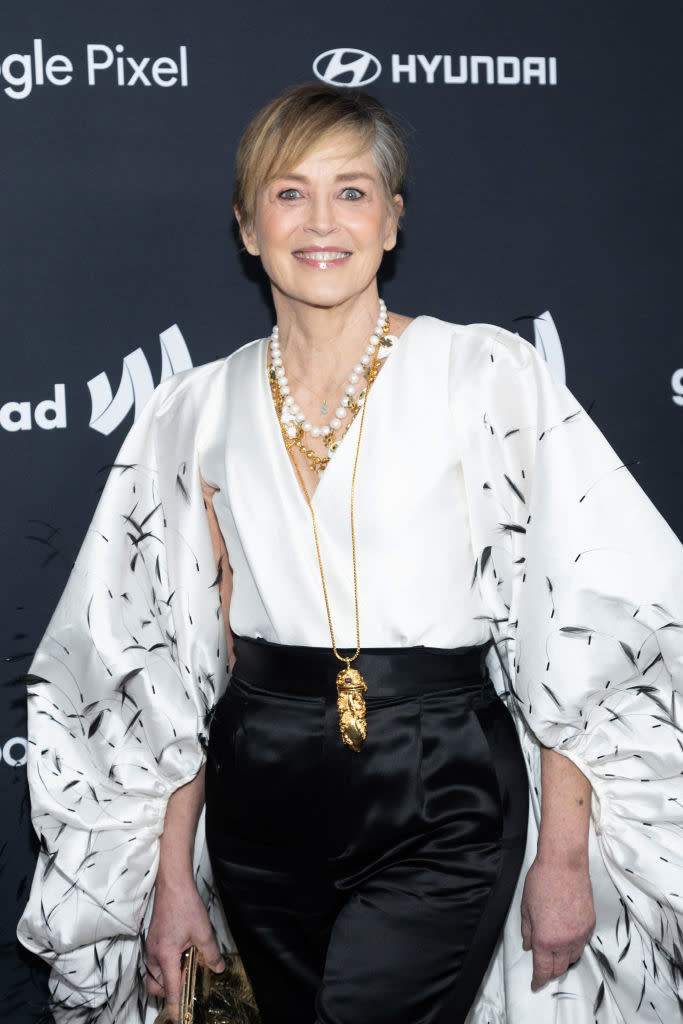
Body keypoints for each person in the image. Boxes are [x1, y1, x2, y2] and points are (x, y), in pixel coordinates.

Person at [17, 83, 683, 1024]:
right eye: (288, 194)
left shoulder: (484, 375)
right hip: (258, 800)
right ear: (247, 228)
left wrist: (564, 857)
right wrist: (170, 881)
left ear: (392, 220)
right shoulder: (193, 411)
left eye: (352, 191)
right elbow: (163, 668)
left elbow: (578, 635)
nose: (321, 222)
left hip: (443, 788)